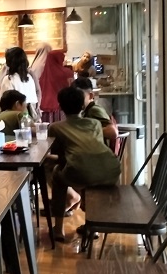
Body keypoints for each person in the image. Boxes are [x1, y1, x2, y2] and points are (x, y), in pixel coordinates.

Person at [48, 87, 121, 241]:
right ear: (83, 105)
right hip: (112, 171)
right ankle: (92, 226)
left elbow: (61, 157)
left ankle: (58, 229)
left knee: (57, 174)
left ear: (60, 106)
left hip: (83, 172)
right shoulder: (95, 124)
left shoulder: (55, 127)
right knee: (89, 171)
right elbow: (92, 151)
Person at [72, 77, 118, 149]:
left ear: (91, 95)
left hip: (98, 151)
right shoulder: (85, 110)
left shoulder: (95, 110)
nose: (76, 100)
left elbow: (113, 132)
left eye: (80, 96)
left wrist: (86, 131)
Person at [0, 46, 40, 118]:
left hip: (14, 117)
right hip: (29, 117)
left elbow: (3, 105)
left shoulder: (9, 79)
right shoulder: (29, 78)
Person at [37, 49, 74, 122]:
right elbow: (72, 89)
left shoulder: (43, 74)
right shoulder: (68, 73)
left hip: (45, 107)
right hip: (62, 105)